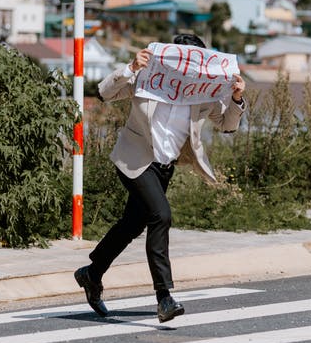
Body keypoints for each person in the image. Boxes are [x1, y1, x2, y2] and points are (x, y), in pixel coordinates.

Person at [74, 33, 246, 323]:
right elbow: (104, 92)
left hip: (164, 167)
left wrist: (237, 98)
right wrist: (130, 67)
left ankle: (92, 273)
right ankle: (164, 297)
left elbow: (228, 126)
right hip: (135, 159)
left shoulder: (203, 92)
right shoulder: (149, 75)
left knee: (132, 224)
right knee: (161, 216)